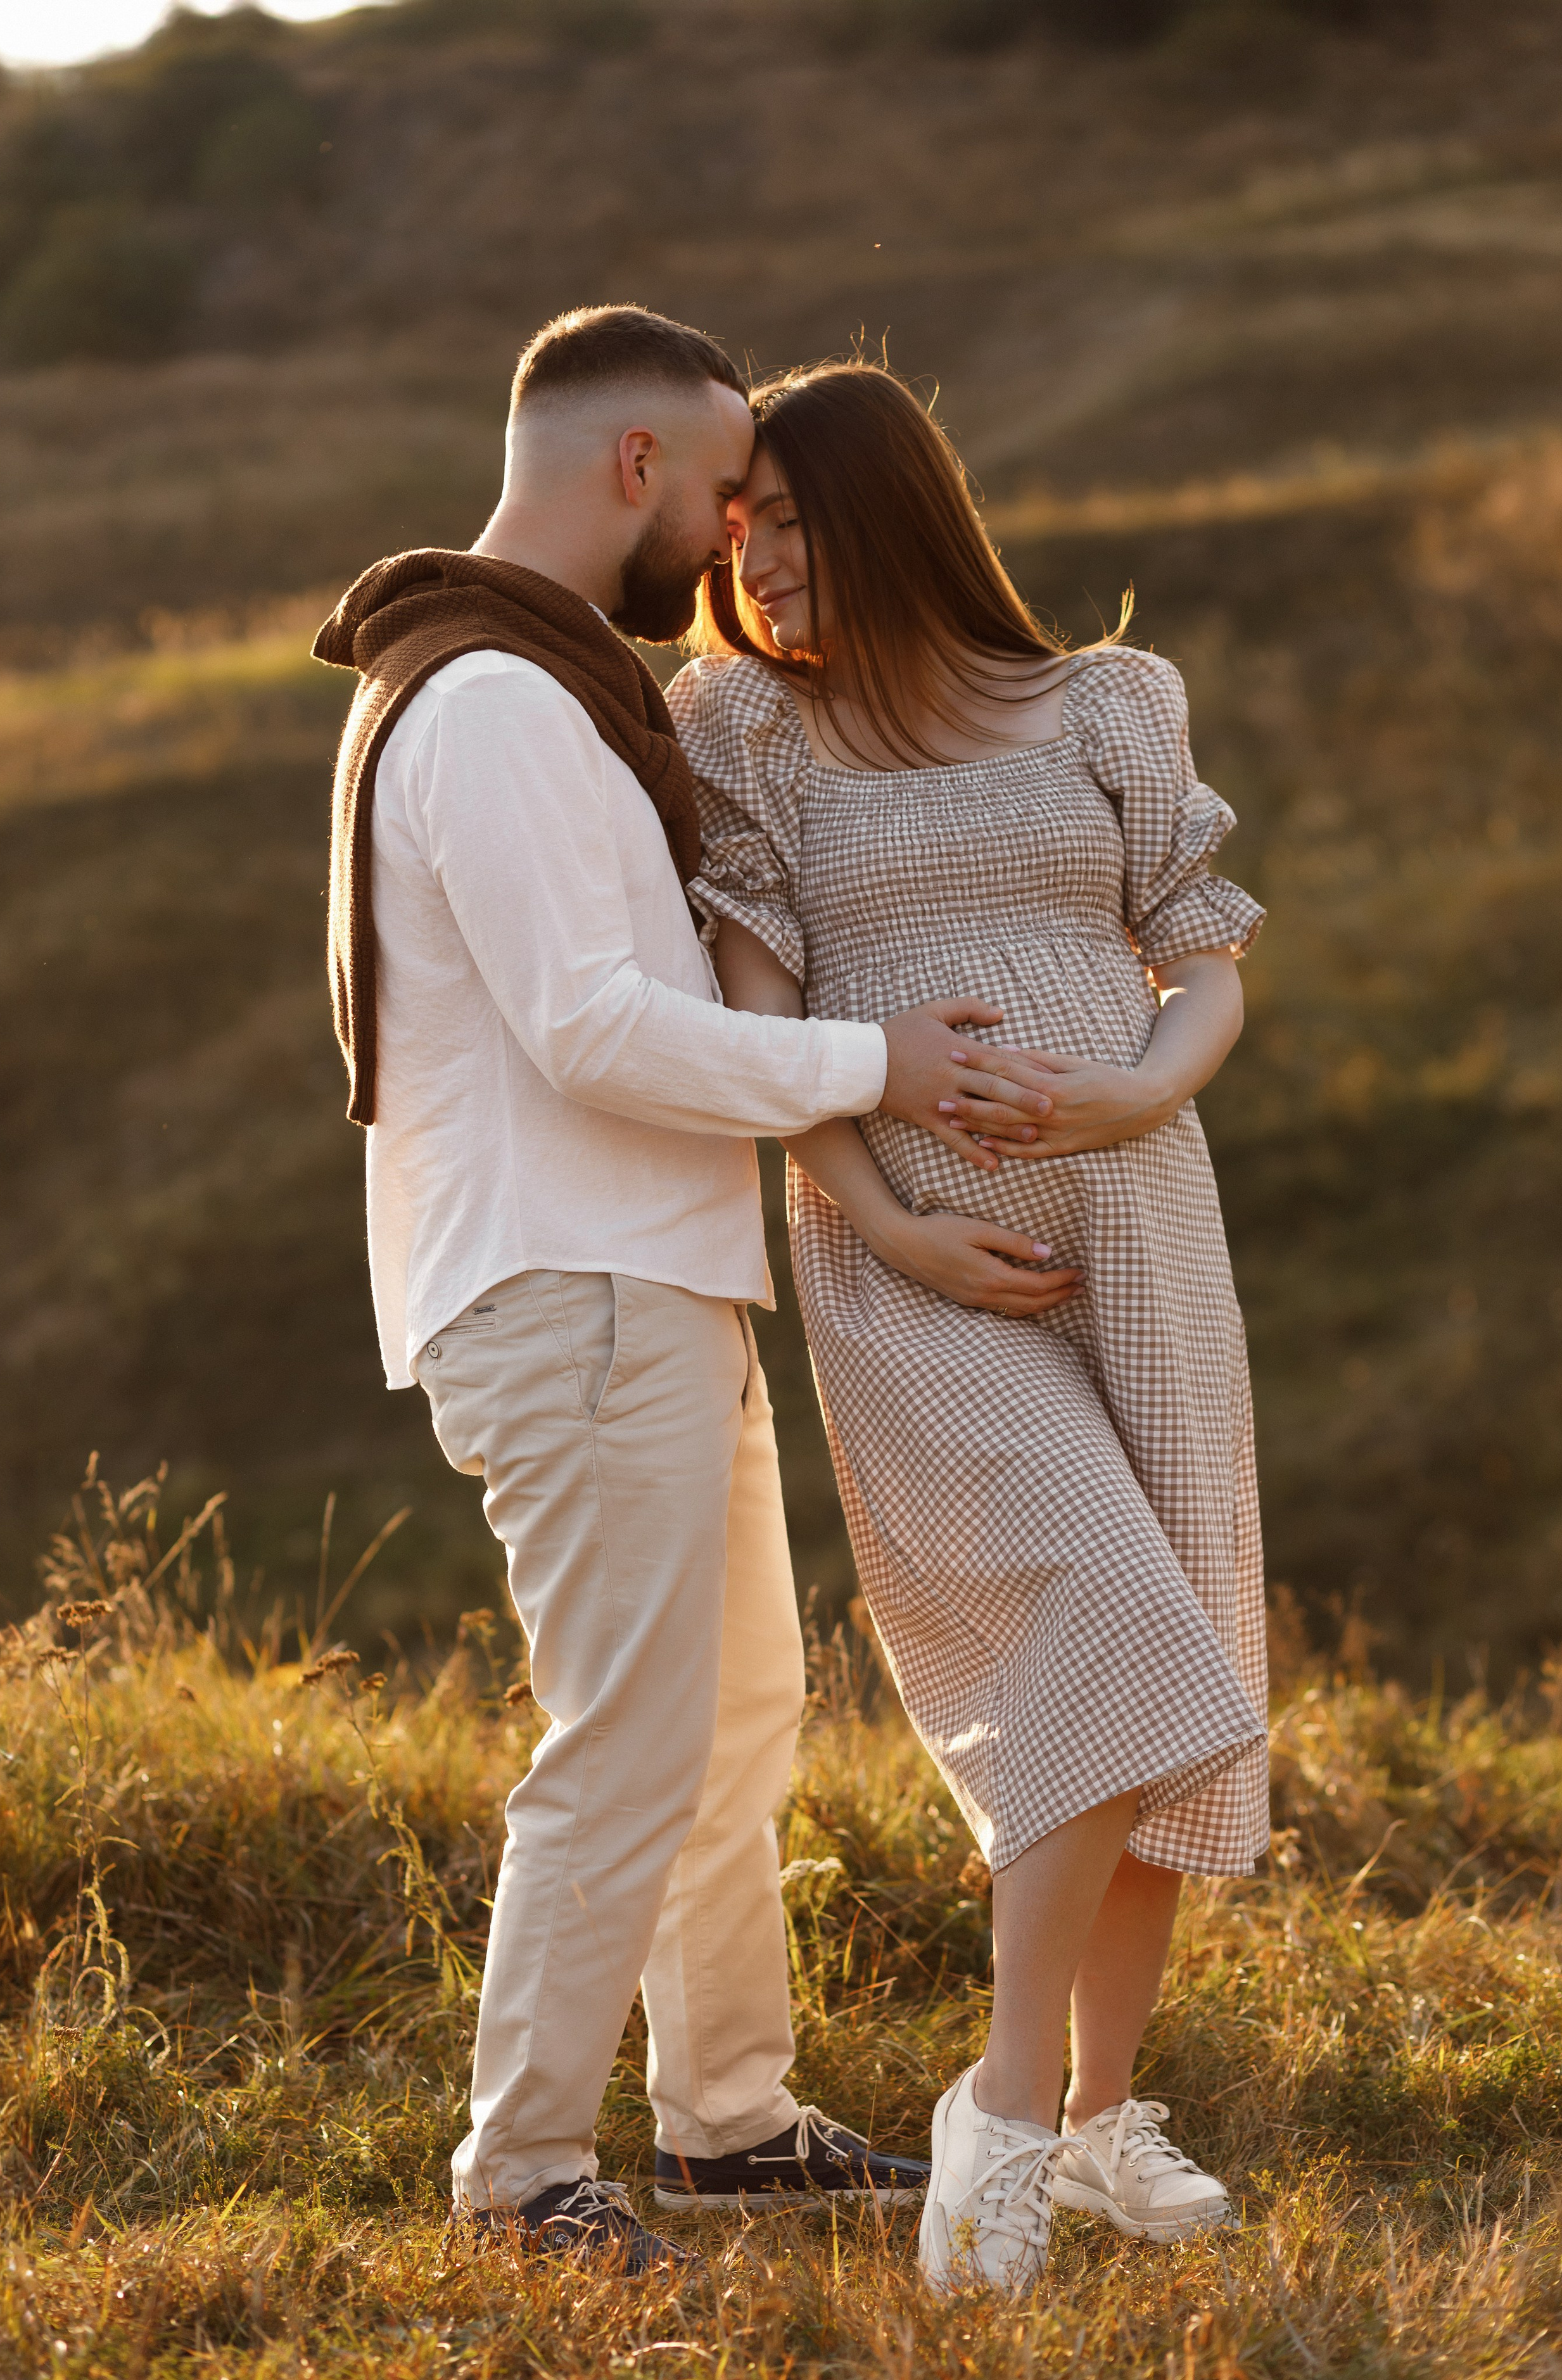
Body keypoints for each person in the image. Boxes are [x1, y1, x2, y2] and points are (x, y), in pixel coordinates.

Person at [312, 308, 1057, 2273]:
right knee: (629, 1738)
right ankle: (523, 2173)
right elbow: (588, 1032)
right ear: (636, 465)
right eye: (729, 491)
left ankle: (727, 2121)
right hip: (570, 1290)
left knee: (732, 1727)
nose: (737, 541)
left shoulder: (534, 690)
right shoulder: (489, 702)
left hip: (644, 1283)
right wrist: (872, 1064)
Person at [669, 360, 1271, 2295]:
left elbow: (1205, 957)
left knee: (1171, 1633)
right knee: (1102, 1612)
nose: (751, 557)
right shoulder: (742, 728)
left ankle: (1101, 2126)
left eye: (786, 515)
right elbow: (768, 1043)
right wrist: (900, 1233)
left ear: (896, 505)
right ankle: (1004, 2112)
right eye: (733, 525)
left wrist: (1137, 1094)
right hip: (912, 1257)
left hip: (1133, 1216)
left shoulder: (1107, 697)